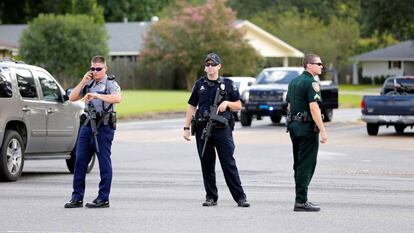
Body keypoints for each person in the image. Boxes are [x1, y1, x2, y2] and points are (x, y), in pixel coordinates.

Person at [183, 53, 250, 207]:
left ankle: (240, 197)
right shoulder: (199, 84)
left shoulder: (228, 84)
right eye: (207, 65)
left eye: (213, 64)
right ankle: (211, 197)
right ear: (205, 67)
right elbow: (192, 106)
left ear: (219, 66)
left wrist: (227, 103)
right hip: (202, 128)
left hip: (222, 129)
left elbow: (239, 105)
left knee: (228, 163)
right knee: (206, 164)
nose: (210, 67)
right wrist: (186, 128)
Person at [64, 56, 121, 208]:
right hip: (88, 124)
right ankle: (77, 198)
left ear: (105, 69)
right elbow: (72, 98)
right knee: (80, 161)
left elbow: (117, 98)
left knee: (104, 162)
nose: (95, 71)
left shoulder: (110, 83)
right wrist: (83, 82)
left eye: (98, 69)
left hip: (104, 125)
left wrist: (97, 95)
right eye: (93, 69)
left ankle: (103, 198)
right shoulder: (88, 83)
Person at [286, 53, 328, 212]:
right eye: (318, 64)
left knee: (298, 164)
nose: (321, 67)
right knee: (306, 164)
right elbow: (314, 107)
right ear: (308, 65)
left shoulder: (293, 82)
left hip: (294, 127)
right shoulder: (312, 83)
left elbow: (289, 106)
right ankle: (301, 201)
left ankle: (301, 198)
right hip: (307, 128)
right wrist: (323, 130)